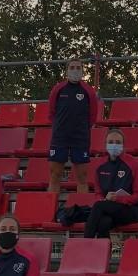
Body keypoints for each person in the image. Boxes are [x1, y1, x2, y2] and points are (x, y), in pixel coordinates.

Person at [84, 129, 138, 238]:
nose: (114, 145)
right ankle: (102, 254)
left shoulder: (132, 164)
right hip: (108, 207)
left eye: (118, 142)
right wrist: (105, 199)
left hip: (130, 209)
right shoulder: (100, 166)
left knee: (98, 206)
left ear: (123, 145)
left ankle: (85, 243)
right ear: (105, 144)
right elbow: (98, 193)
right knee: (104, 222)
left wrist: (118, 199)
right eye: (110, 142)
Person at [47, 58, 101, 195]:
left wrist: (82, 129)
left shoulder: (88, 91)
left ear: (82, 71)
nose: (75, 70)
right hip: (60, 138)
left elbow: (93, 115)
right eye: (72, 67)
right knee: (55, 176)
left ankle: (82, 211)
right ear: (67, 71)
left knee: (82, 178)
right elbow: (51, 112)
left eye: (78, 68)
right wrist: (59, 127)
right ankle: (50, 211)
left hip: (80, 138)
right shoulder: (58, 89)